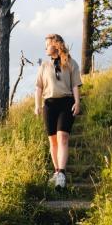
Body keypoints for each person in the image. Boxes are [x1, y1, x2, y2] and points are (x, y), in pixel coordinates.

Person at [34, 34, 82, 188]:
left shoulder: (71, 63)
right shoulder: (44, 66)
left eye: (47, 44)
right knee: (53, 140)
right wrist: (37, 105)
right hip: (49, 104)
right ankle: (56, 172)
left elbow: (75, 85)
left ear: (56, 45)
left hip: (66, 103)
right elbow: (39, 87)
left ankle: (61, 173)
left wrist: (77, 102)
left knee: (63, 137)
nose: (45, 48)